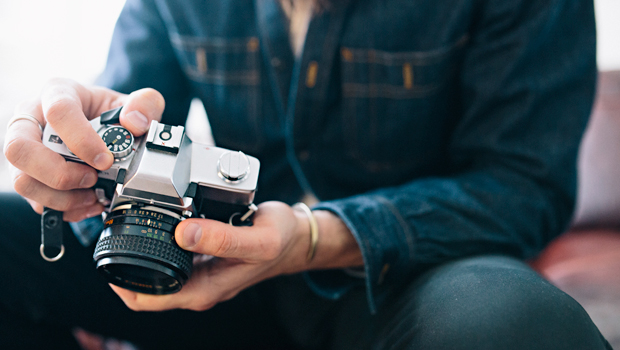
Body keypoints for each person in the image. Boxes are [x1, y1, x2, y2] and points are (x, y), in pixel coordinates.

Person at [0, 0, 613, 349]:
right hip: (218, 280)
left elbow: (523, 187)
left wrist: (314, 236)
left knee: (515, 325)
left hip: (408, 278)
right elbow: (134, 114)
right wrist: (81, 171)